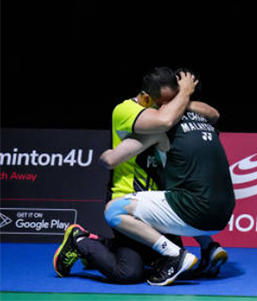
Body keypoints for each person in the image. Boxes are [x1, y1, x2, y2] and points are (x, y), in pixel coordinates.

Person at [53, 67, 227, 283]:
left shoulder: (168, 110)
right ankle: (80, 242)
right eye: (164, 102)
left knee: (166, 263)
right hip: (128, 200)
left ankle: (103, 244)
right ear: (146, 98)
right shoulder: (126, 110)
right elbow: (163, 121)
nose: (173, 108)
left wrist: (181, 98)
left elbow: (213, 114)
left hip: (158, 204)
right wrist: (183, 94)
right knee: (129, 273)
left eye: (173, 101)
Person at [97, 69, 236, 286]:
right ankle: (209, 247)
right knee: (175, 188)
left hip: (192, 211)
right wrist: (184, 96)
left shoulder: (162, 125)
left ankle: (174, 255)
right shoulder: (204, 120)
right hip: (224, 215)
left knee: (113, 210)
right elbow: (214, 113)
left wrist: (108, 155)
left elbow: (112, 159)